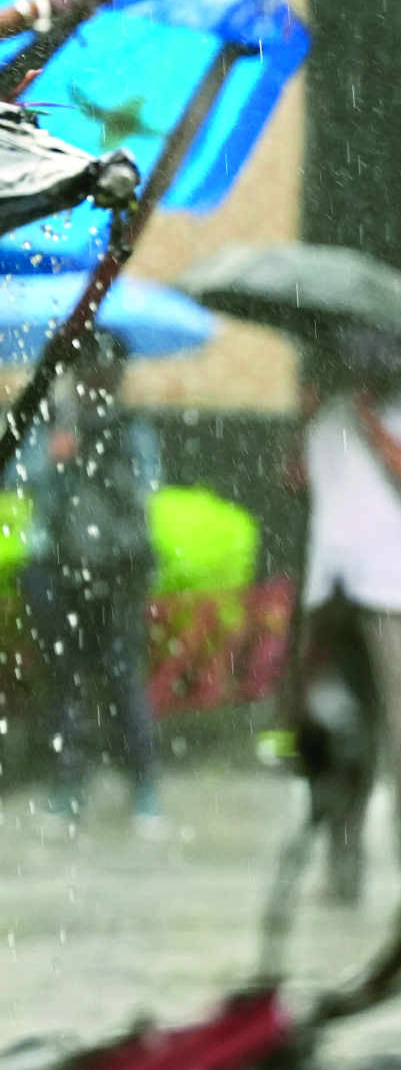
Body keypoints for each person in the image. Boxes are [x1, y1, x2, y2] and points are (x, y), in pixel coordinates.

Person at [301, 346, 401, 903]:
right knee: (341, 732)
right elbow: (297, 479)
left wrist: (369, 418)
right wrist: (311, 414)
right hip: (336, 592)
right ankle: (343, 870)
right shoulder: (331, 411)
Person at [23, 332, 163, 831]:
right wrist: (56, 455)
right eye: (91, 370)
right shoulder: (52, 421)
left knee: (124, 676)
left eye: (108, 372)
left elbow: (145, 488)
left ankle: (143, 785)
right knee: (65, 679)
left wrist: (102, 454)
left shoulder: (130, 428)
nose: (99, 381)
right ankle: (69, 785)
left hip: (118, 569)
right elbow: (22, 478)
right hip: (56, 567)